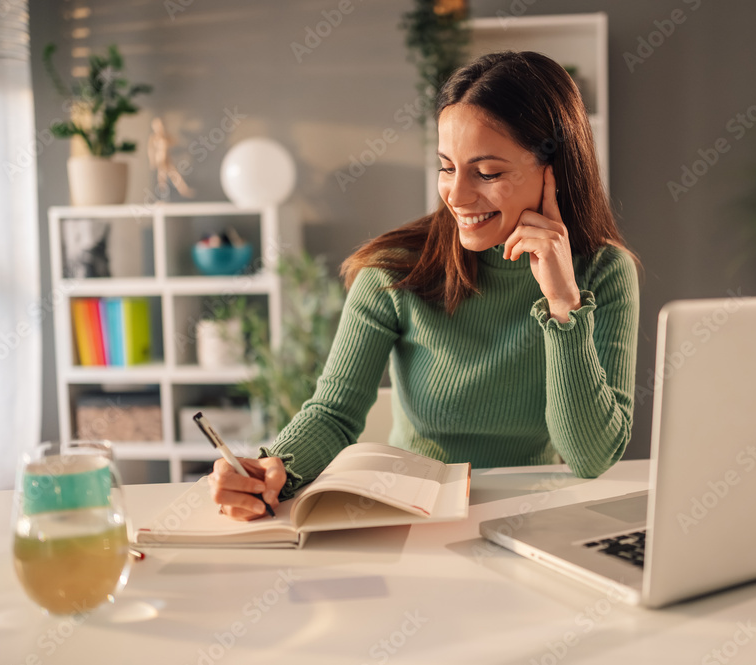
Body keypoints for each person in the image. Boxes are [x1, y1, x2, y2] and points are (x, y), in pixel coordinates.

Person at [211, 51, 640, 521]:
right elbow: (334, 412)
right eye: (447, 166)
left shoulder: (604, 272)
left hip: (533, 514)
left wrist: (563, 304)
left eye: (488, 172)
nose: (456, 195)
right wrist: (274, 469)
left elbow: (590, 458)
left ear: (551, 171)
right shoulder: (394, 270)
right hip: (413, 512)